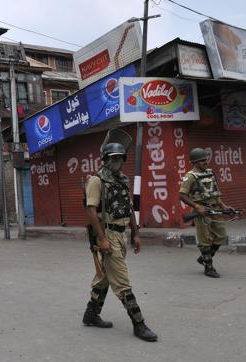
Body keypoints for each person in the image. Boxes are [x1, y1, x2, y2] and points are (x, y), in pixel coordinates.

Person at [81, 142, 158, 342]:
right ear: (105, 159)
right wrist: (103, 239)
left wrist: (136, 233)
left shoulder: (123, 180)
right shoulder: (96, 181)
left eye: (119, 158)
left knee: (105, 277)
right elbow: (91, 211)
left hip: (121, 234)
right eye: (112, 158)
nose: (116, 161)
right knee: (122, 282)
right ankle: (139, 324)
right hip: (108, 235)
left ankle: (91, 315)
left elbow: (129, 207)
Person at [180, 148, 233, 278]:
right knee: (204, 240)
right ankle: (208, 267)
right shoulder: (190, 176)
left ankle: (204, 257)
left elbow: (215, 192)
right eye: (203, 160)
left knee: (221, 235)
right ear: (195, 162)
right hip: (201, 212)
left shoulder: (210, 173)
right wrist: (197, 206)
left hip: (214, 209)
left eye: (206, 159)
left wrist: (224, 206)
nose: (206, 162)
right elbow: (182, 195)